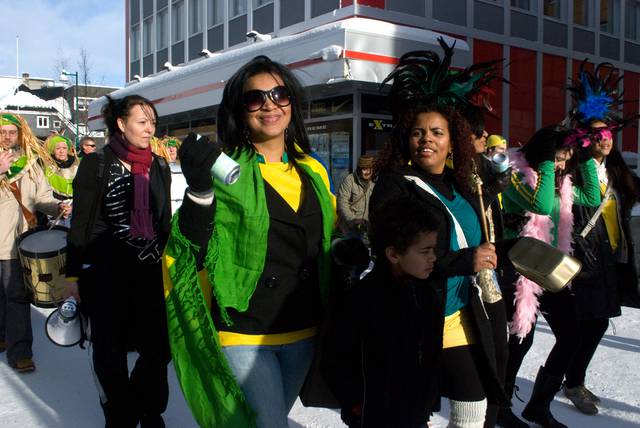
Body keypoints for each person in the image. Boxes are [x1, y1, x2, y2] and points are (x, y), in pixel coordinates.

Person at [162, 55, 336, 428]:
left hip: (303, 327)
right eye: (255, 99)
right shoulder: (226, 170)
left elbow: (324, 240)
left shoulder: (314, 169)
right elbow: (191, 246)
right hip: (243, 329)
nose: (269, 104)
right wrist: (200, 190)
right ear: (239, 112)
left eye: (279, 93)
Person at [371, 43, 511, 428]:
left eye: (436, 132)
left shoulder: (460, 184)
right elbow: (394, 254)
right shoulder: (394, 186)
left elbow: (478, 239)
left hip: (468, 308)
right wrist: (467, 261)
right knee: (413, 411)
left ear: (452, 140)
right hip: (421, 314)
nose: (426, 139)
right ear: (406, 140)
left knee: (474, 406)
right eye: (417, 133)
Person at [63, 95, 172, 427]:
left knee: (157, 351)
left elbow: (163, 220)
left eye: (152, 121)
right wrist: (72, 276)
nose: (149, 128)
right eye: (142, 121)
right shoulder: (95, 164)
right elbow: (80, 224)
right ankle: (120, 413)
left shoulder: (160, 165)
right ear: (121, 124)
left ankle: (149, 409)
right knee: (109, 354)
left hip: (149, 272)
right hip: (105, 274)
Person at [498, 125, 601, 428]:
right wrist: (544, 162)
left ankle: (538, 406)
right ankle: (501, 405)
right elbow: (540, 205)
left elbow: (593, 196)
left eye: (565, 159)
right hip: (519, 274)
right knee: (521, 341)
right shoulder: (517, 178)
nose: (560, 165)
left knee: (572, 335)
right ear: (542, 155)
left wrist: (584, 158)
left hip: (549, 269)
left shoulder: (561, 183)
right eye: (557, 158)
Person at [559, 62, 640, 416]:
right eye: (596, 134)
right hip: (582, 255)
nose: (604, 139)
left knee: (599, 321)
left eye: (607, 133)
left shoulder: (619, 172)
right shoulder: (575, 172)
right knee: (582, 322)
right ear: (582, 138)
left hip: (610, 256)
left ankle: (572, 377)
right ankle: (568, 380)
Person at [323, 197, 441, 428]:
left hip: (414, 413)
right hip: (373, 414)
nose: (433, 257)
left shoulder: (427, 294)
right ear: (393, 254)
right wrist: (356, 404)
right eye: (425, 251)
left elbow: (431, 354)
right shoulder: (363, 299)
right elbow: (336, 358)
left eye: (434, 249)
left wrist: (427, 398)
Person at [0, 112, 70, 372]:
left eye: (12, 131)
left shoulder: (31, 164)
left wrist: (57, 206)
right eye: (2, 131)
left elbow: (42, 197)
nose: (7, 136)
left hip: (20, 242)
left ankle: (20, 351)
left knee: (16, 296)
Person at [336, 154, 375, 237]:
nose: (367, 172)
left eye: (370, 169)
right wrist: (353, 220)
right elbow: (342, 203)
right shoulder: (349, 180)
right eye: (364, 169)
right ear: (359, 169)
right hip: (351, 229)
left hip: (368, 229)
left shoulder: (375, 181)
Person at [44, 134, 79, 201]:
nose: (61, 151)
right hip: (56, 204)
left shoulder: (77, 165)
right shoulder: (48, 169)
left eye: (64, 148)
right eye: (58, 148)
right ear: (52, 151)